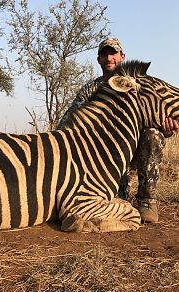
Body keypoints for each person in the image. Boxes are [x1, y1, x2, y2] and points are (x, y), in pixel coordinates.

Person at [58, 37, 179, 223]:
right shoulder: (90, 89)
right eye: (104, 55)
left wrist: (166, 129)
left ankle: (147, 201)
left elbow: (154, 114)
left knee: (153, 134)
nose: (109, 58)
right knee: (111, 201)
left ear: (122, 57)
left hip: (131, 152)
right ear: (98, 60)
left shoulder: (139, 86)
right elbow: (66, 124)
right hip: (98, 156)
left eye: (113, 54)